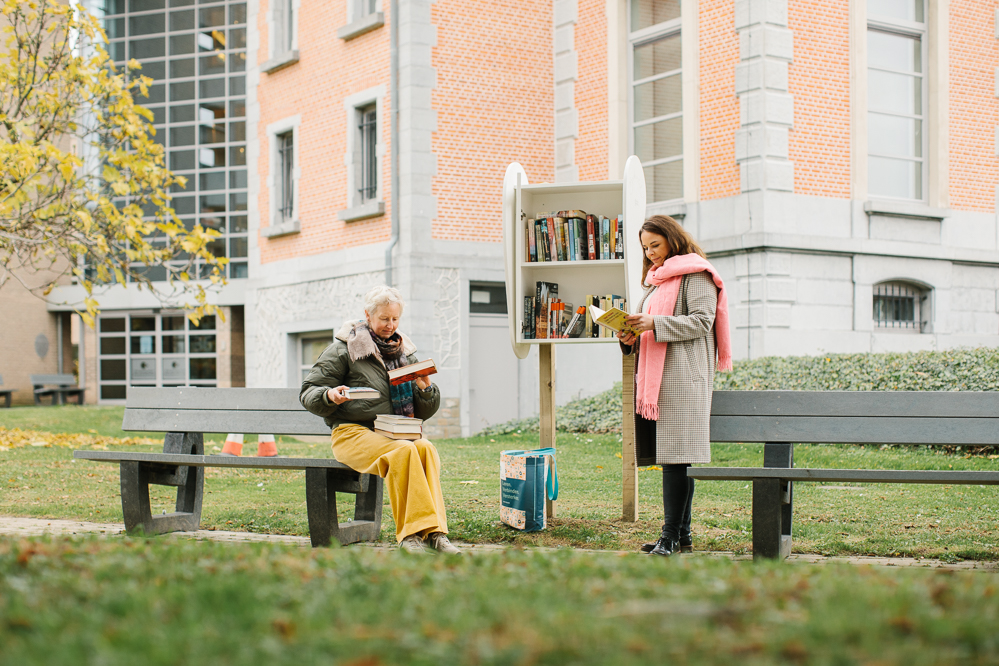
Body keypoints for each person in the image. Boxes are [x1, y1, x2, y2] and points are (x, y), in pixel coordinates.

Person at [299, 285, 460, 554]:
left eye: (395, 318)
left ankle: (435, 534)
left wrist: (425, 389)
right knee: (405, 451)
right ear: (368, 315)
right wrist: (329, 395)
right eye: (384, 318)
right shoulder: (345, 348)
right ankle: (411, 537)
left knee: (424, 448)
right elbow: (308, 391)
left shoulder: (405, 352)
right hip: (351, 433)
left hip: (392, 432)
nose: (390, 324)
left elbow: (422, 412)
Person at [617, 215, 732, 557]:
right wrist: (629, 337)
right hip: (658, 379)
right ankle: (681, 536)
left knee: (676, 459)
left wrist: (653, 322)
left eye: (655, 244)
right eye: (645, 247)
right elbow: (650, 329)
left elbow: (701, 322)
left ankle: (670, 536)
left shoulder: (697, 274)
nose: (650, 253)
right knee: (675, 459)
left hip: (682, 377)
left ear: (672, 239)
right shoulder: (655, 281)